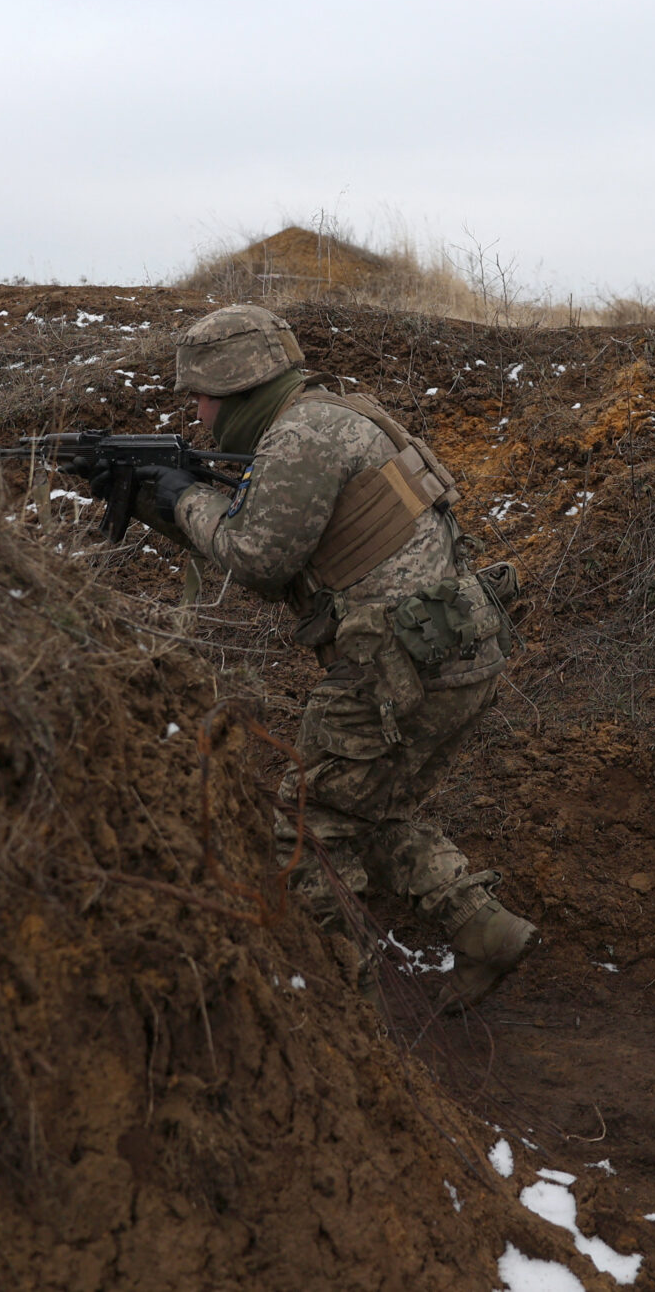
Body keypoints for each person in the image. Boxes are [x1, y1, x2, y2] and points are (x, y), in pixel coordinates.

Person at [140, 303, 534, 1009]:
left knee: (308, 823)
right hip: (457, 648)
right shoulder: (336, 414)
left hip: (396, 665)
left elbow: (257, 558)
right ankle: (484, 930)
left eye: (201, 397)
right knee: (367, 808)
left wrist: (183, 501)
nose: (197, 415)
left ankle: (339, 998)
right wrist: (176, 502)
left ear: (236, 388)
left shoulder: (299, 438)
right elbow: (288, 544)